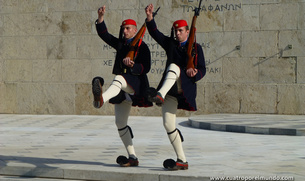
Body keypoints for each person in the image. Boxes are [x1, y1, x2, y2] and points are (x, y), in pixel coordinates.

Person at [145, 4, 206, 170]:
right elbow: (155, 34)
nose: (178, 34)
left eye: (181, 31)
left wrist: (195, 74)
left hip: (184, 89)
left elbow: (202, 69)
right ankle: (182, 160)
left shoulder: (196, 48)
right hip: (171, 92)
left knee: (173, 67)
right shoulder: (171, 44)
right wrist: (150, 18)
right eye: (176, 31)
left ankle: (159, 95)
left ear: (188, 31)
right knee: (168, 124)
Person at [93, 5, 152, 167]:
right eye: (123, 28)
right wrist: (101, 18)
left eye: (127, 29)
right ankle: (132, 157)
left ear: (134, 30)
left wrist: (133, 65)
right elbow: (104, 35)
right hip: (121, 91)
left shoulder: (143, 47)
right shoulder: (120, 45)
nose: (124, 31)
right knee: (120, 123)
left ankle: (101, 98)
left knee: (119, 78)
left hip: (136, 86)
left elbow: (146, 67)